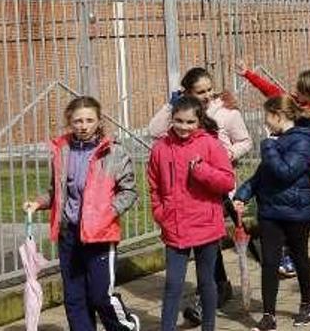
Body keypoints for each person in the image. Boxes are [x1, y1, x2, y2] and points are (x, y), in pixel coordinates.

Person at [23, 97, 140, 331]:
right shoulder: (62, 151)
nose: (83, 126)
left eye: (89, 120)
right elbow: (58, 192)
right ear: (70, 121)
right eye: (78, 121)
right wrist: (38, 203)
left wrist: (106, 213)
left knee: (100, 296)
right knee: (75, 299)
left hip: (101, 235)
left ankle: (126, 325)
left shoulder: (114, 153)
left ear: (98, 121)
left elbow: (129, 192)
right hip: (70, 235)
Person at [148, 67, 252, 325]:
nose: (184, 127)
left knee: (207, 281)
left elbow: (227, 175)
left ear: (199, 121)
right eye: (179, 121)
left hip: (207, 216)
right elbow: (153, 184)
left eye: (190, 122)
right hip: (175, 223)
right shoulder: (162, 147)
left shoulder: (215, 132)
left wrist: (206, 170)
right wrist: (161, 213)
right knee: (173, 284)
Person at [237, 64, 310, 268]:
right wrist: (249, 75)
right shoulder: (294, 105)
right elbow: (271, 91)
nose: (294, 91)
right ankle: (291, 254)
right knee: (293, 211)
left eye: (299, 89)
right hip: (298, 170)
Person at [233, 95, 310, 330]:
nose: (265, 121)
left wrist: (269, 145)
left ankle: (308, 303)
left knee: (300, 256)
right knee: (270, 262)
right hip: (270, 211)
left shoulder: (303, 141)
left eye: (267, 116)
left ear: (278, 115)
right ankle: (268, 315)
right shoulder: (275, 140)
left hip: (296, 210)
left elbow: (285, 172)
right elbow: (262, 175)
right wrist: (241, 195)